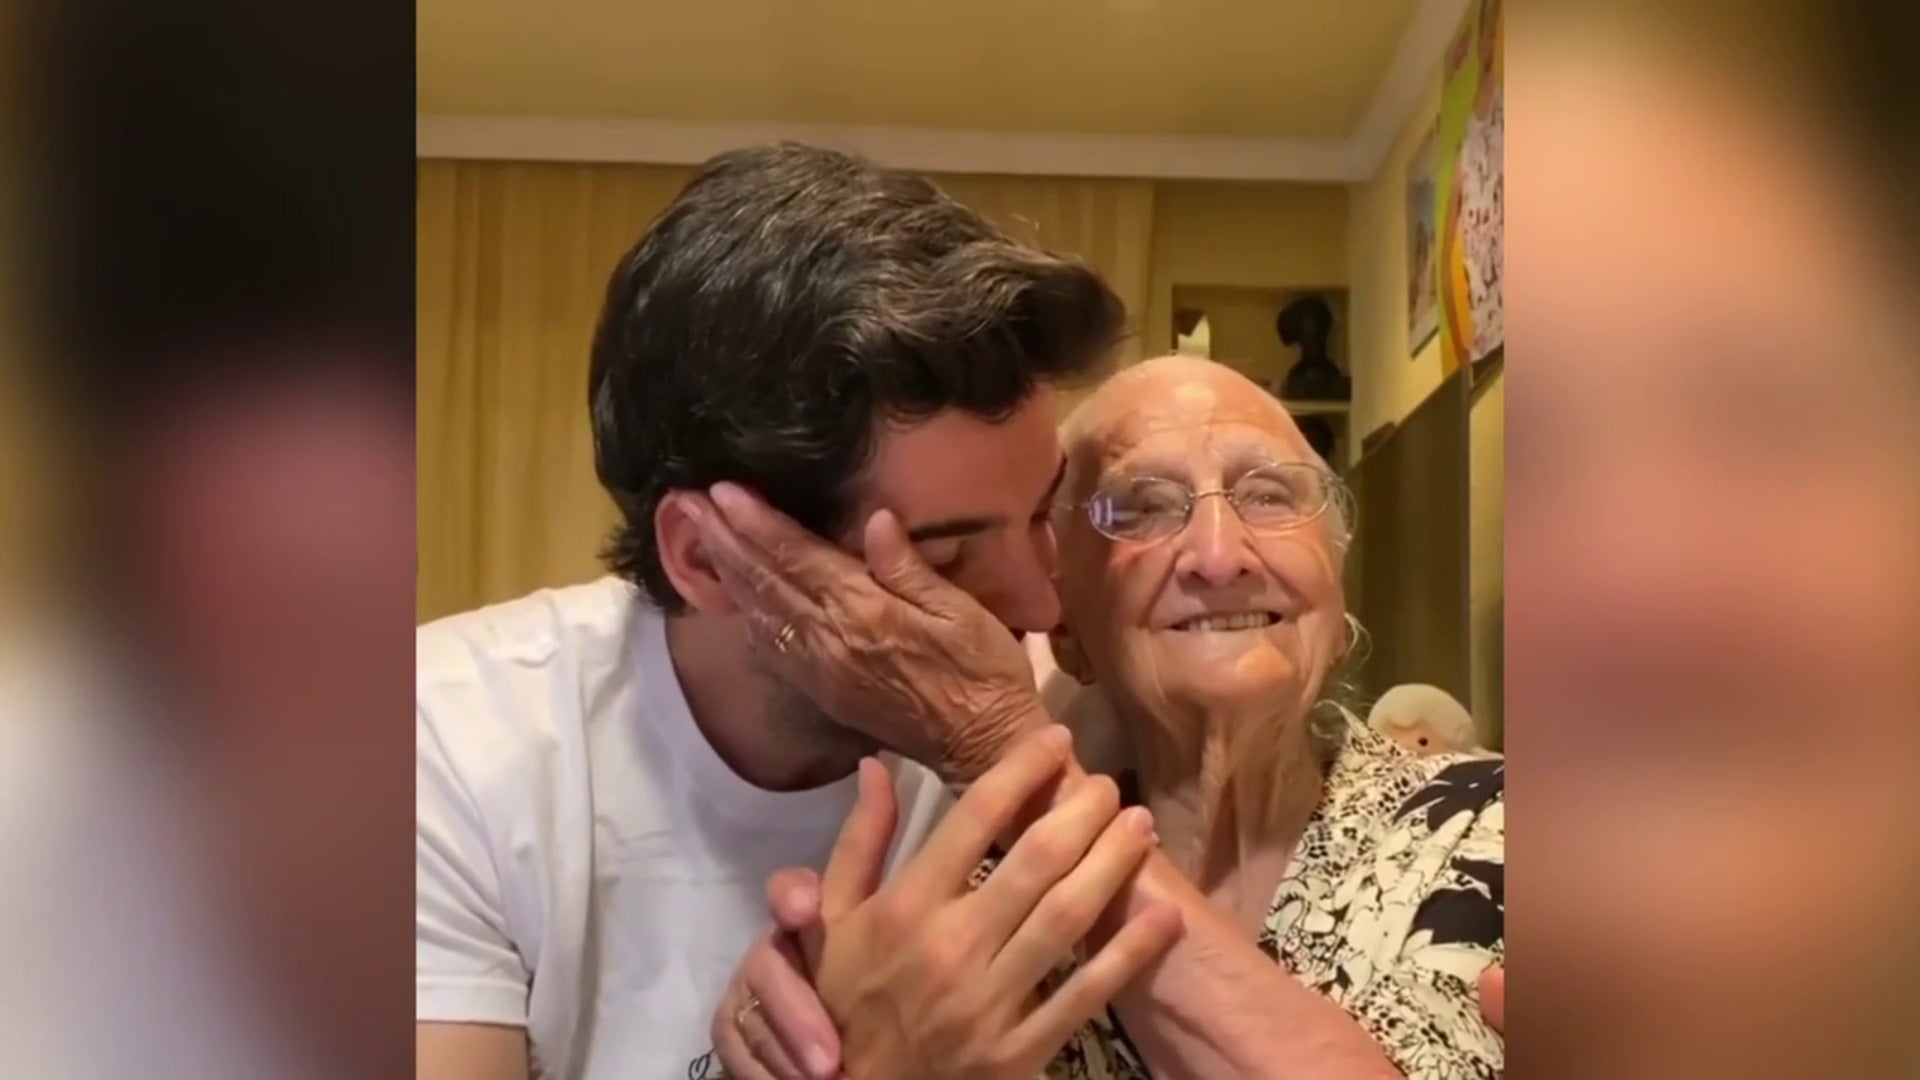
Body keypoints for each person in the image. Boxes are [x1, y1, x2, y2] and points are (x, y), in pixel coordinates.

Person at [415, 142, 1178, 1079]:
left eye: (1041, 516)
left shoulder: (1058, 712)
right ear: (706, 558)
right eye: (943, 560)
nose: (1039, 603)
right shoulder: (443, 743)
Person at [694, 356, 1506, 1078]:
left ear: (1332, 581)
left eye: (1268, 495)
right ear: (1064, 625)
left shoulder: (1497, 830)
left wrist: (1001, 745)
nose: (1219, 556)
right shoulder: (975, 910)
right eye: (1143, 507)